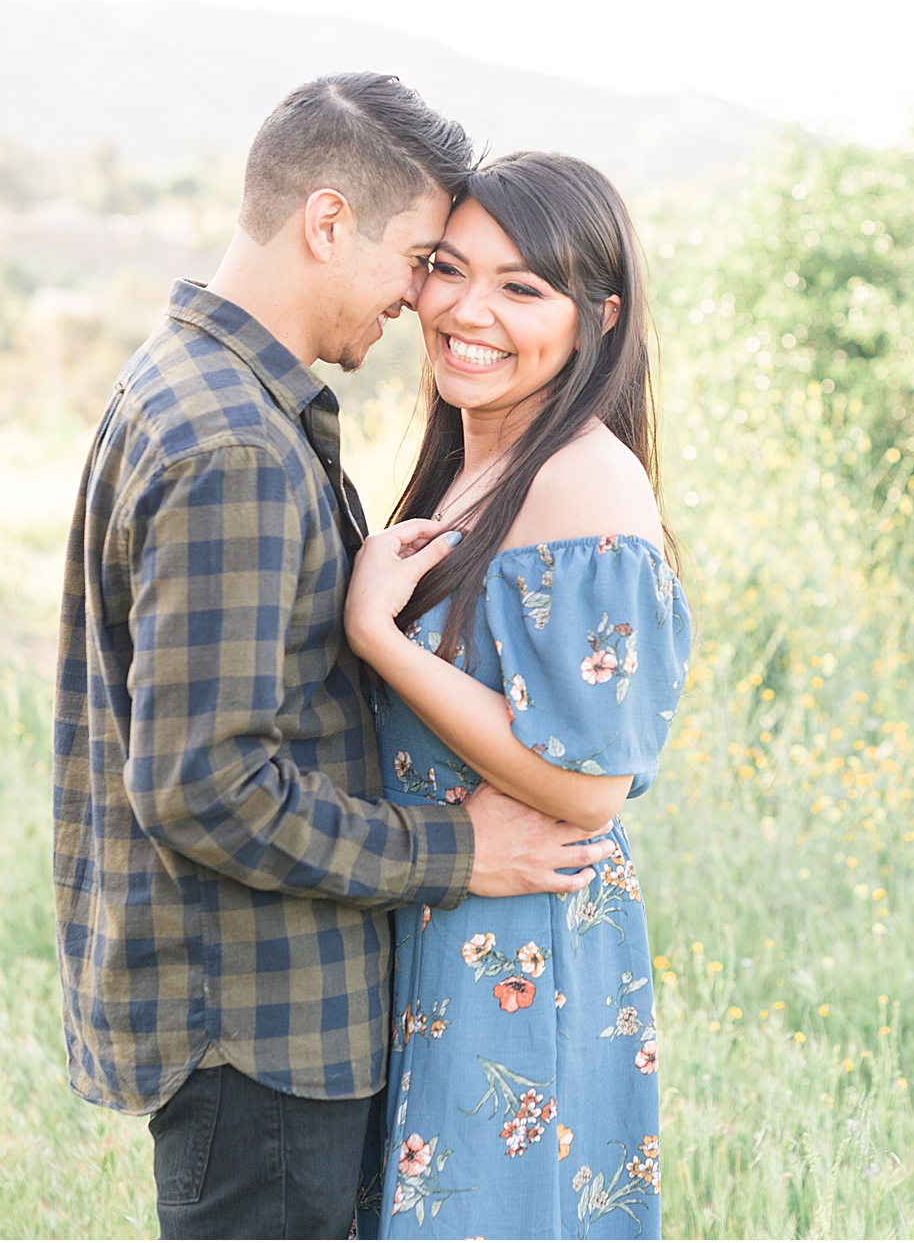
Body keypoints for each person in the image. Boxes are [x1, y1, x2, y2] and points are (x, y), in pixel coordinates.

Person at [52, 74, 617, 1241]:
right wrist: (453, 848)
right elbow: (204, 784)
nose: (421, 301)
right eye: (419, 257)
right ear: (325, 223)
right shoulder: (234, 446)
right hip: (262, 1024)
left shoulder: (183, 386)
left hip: (252, 1014)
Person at [342, 152, 692, 1240]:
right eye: (448, 269)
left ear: (597, 317)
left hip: (522, 940)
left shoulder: (579, 479)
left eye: (520, 287)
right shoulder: (477, 460)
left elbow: (591, 788)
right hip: (454, 910)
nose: (466, 309)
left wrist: (376, 638)